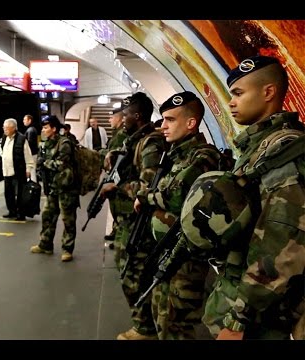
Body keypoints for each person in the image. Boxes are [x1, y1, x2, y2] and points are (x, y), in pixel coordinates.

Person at [198, 55, 305, 340]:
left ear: (268, 92)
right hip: (242, 293)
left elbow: (281, 243)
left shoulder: (282, 152)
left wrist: (238, 320)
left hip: (262, 313)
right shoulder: (259, 148)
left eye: (238, 93)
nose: (231, 102)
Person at [135, 91, 223, 340]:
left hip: (186, 256)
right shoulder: (176, 156)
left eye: (170, 120)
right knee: (162, 317)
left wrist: (147, 198)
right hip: (168, 251)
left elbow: (176, 195)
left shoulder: (203, 156)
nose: (163, 126)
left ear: (191, 123)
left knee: (177, 324)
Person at [99, 92, 168, 340]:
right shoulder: (133, 140)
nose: (122, 118)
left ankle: (144, 328)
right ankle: (144, 324)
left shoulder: (151, 143)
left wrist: (117, 187)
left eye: (125, 114)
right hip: (127, 220)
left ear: (137, 116)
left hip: (139, 222)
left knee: (134, 276)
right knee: (130, 274)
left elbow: (149, 187)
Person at [30, 115, 80, 262]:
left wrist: (46, 163)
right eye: (43, 128)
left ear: (54, 128)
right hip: (52, 187)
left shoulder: (64, 143)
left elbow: (62, 164)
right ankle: (45, 244)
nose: (44, 130)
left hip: (66, 188)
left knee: (68, 220)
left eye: (46, 128)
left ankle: (67, 249)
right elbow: (41, 162)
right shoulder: (45, 144)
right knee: (47, 216)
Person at [99, 101, 129, 244]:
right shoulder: (117, 133)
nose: (109, 120)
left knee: (119, 206)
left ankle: (118, 232)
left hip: (119, 176)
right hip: (114, 174)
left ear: (119, 117)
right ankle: (116, 230)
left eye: (112, 117)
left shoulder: (122, 135)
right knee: (114, 204)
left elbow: (118, 155)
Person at [0, 118, 35, 221]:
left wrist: (28, 169)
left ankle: (21, 214)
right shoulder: (4, 137)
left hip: (18, 171)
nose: (4, 130)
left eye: (6, 128)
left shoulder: (22, 139)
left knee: (20, 194)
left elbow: (28, 156)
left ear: (13, 128)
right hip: (6, 171)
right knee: (8, 193)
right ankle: (12, 211)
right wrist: (3, 155)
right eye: (4, 128)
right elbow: (0, 147)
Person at [23, 114, 39, 182]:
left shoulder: (30, 130)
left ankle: (33, 188)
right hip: (33, 153)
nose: (23, 121)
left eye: (25, 119)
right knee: (32, 171)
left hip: (31, 154)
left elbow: (29, 143)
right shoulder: (32, 129)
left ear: (29, 120)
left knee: (32, 172)